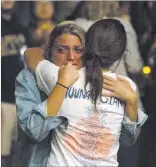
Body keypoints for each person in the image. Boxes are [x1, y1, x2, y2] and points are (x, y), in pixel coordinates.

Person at [15, 20, 147, 167]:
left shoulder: (56, 76)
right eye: (61, 50)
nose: (71, 57)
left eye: (78, 50)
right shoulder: (126, 86)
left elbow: (30, 53)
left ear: (87, 52)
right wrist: (132, 99)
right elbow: (35, 130)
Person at [1, 0, 27, 166]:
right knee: (2, 150)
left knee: (19, 149)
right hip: (3, 97)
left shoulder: (21, 24)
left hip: (21, 94)